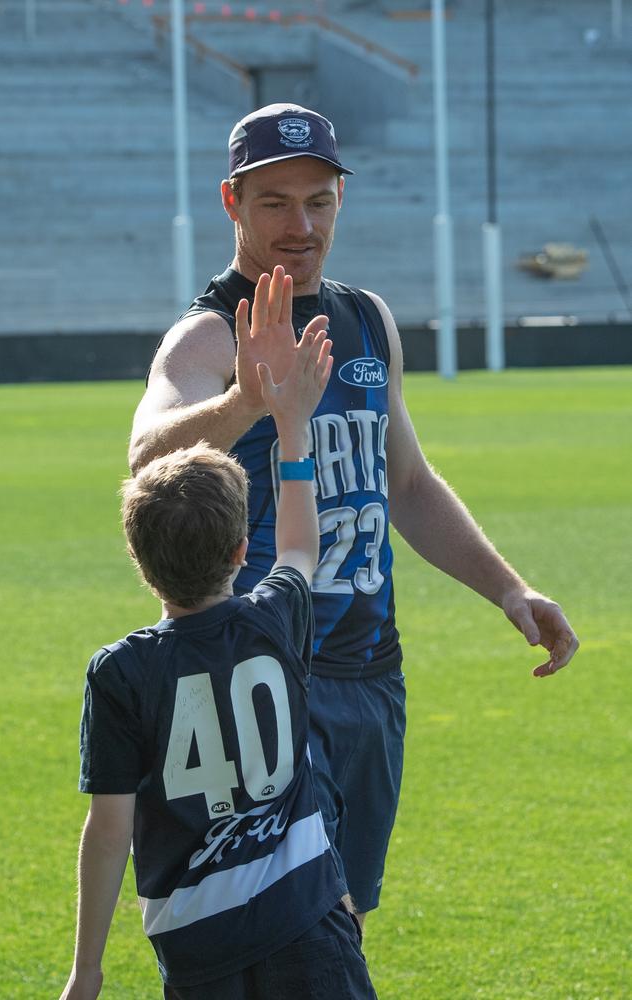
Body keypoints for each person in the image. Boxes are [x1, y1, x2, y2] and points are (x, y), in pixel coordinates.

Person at [129, 103, 579, 928]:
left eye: (319, 201)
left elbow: (405, 483)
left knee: (346, 926)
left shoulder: (365, 319)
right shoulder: (208, 336)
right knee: (282, 936)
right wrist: (243, 401)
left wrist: (510, 591)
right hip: (259, 680)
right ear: (232, 203)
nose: (300, 226)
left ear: (340, 198)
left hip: (372, 675)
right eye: (275, 203)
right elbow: (145, 460)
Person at [60, 306, 378, 999]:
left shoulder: (120, 671)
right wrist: (292, 424)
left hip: (199, 942)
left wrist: (87, 971)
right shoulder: (276, 617)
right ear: (241, 552)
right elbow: (298, 546)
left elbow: (109, 832)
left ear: (139, 560)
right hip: (309, 921)